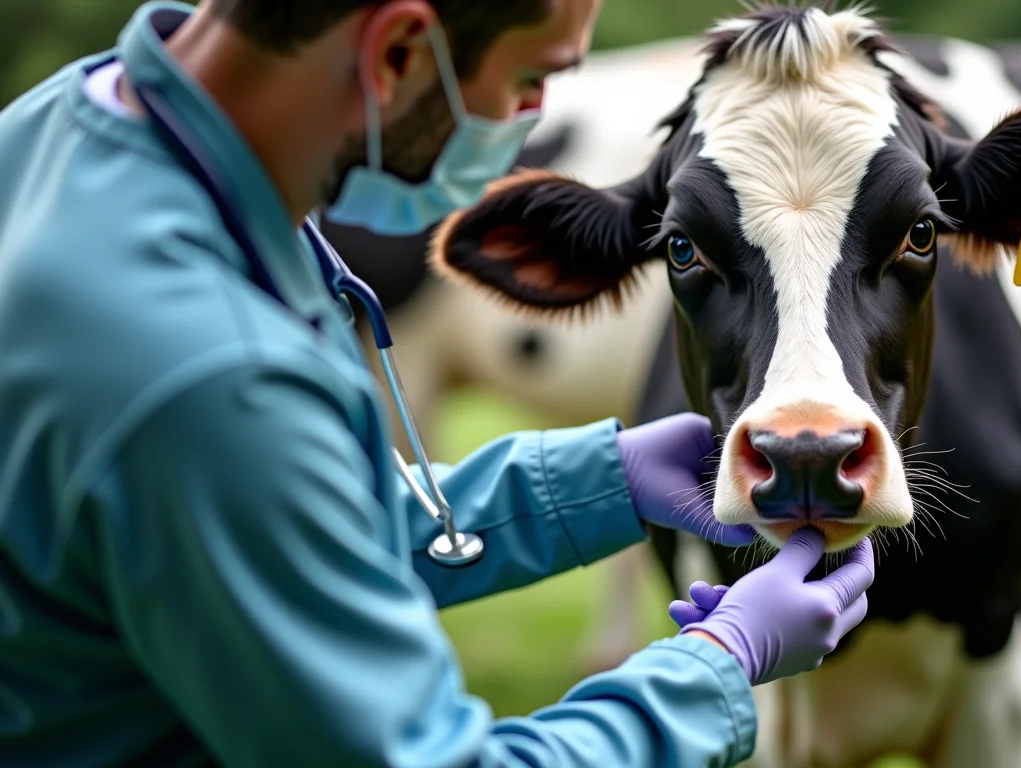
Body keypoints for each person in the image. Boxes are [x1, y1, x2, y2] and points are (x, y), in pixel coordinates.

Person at [0, 0, 877, 765]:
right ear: (399, 54)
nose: (534, 115)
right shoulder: (214, 383)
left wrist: (595, 482)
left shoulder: (59, 127)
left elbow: (276, 539)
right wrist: (721, 662)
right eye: (536, 79)